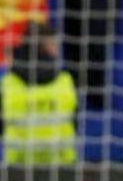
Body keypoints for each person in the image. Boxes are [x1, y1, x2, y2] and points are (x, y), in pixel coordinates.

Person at [2, 23, 79, 164]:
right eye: (54, 45)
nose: (57, 50)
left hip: (18, 165)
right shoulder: (66, 81)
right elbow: (75, 121)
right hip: (62, 163)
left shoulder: (8, 84)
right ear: (44, 46)